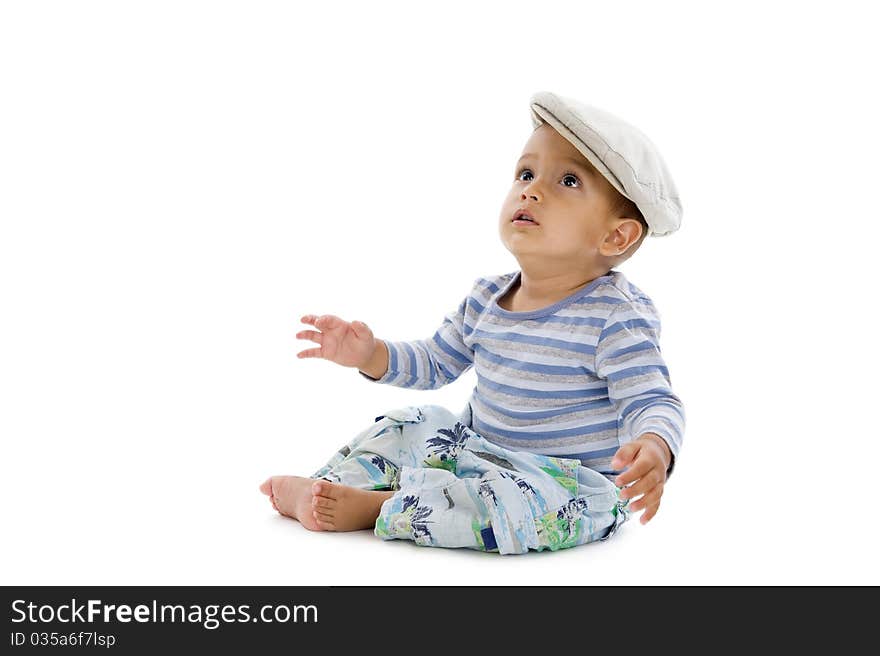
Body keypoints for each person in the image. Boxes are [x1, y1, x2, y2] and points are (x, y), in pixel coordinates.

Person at [260, 91, 686, 554]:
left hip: (565, 484)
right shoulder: (486, 298)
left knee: (516, 509)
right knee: (414, 423)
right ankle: (329, 486)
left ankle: (379, 507)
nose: (531, 189)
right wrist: (370, 354)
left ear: (615, 235)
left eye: (566, 180)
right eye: (526, 173)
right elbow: (433, 363)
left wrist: (654, 445)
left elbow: (651, 397)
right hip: (474, 454)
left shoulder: (615, 316)